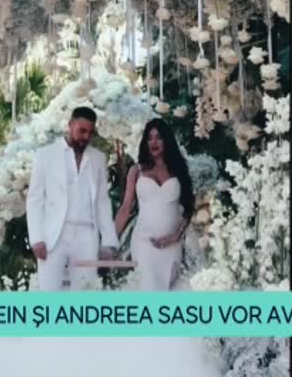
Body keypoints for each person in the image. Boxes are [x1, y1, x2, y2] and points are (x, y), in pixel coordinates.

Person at [27, 107, 119, 291]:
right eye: (82, 131)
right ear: (70, 125)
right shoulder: (45, 154)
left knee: (85, 293)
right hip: (54, 235)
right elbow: (35, 199)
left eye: (90, 133)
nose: (86, 137)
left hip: (87, 235)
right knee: (49, 292)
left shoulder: (98, 158)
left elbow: (102, 201)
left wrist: (109, 241)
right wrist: (36, 238)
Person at [114, 118, 194, 291]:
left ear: (167, 140)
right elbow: (125, 208)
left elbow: (189, 208)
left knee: (166, 292)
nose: (154, 142)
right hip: (144, 243)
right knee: (150, 288)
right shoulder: (136, 171)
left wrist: (175, 236)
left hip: (172, 245)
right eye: (149, 138)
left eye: (159, 137)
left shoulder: (179, 169)